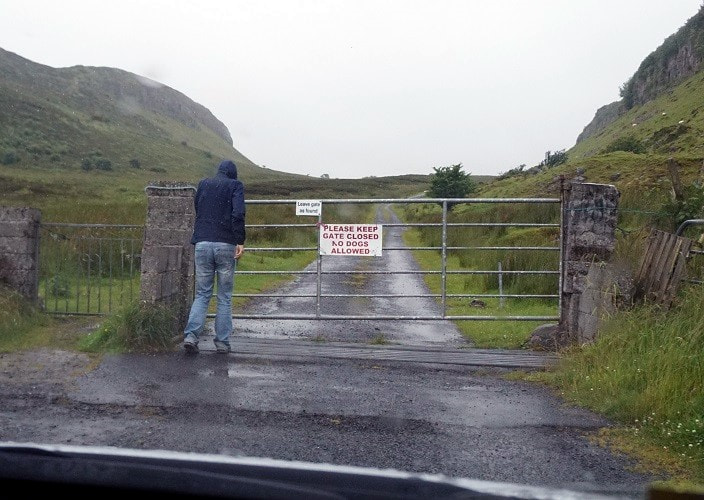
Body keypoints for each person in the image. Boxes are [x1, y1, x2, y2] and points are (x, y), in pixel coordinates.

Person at [183, 159, 245, 354]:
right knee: (224, 296)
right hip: (225, 243)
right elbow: (238, 213)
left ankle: (191, 336)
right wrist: (240, 240)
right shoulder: (235, 185)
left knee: (202, 293)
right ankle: (222, 343)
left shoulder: (203, 184)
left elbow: (198, 208)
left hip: (202, 242)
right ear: (233, 174)